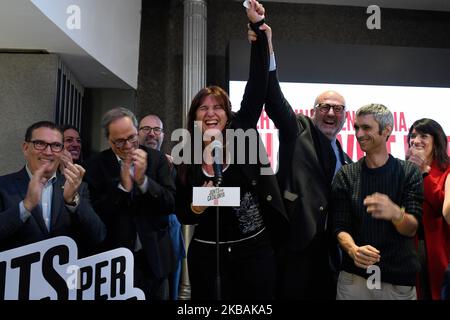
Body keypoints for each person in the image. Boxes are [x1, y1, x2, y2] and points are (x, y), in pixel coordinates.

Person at [175, 0, 288, 300]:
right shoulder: (185, 153)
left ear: (228, 113)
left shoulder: (241, 134)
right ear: (195, 116)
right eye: (203, 108)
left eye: (218, 107)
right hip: (208, 256)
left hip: (255, 251)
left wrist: (257, 30)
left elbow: (257, 85)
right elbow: (182, 209)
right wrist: (196, 207)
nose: (211, 113)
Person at [247, 9, 351, 299]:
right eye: (324, 107)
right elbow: (273, 97)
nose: (330, 113)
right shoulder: (297, 129)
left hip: (329, 254)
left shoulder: (346, 159)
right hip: (293, 247)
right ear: (313, 111)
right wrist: (264, 44)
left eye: (337, 109)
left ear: (345, 117)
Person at [332, 103, 423, 300]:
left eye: (366, 128)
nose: (358, 134)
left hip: (397, 281)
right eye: (356, 127)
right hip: (354, 279)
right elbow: (339, 226)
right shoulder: (346, 175)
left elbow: (412, 228)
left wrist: (396, 214)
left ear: (386, 130)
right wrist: (353, 249)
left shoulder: (408, 172)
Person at [84, 107, 176, 300]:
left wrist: (143, 182)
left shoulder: (156, 158)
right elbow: (95, 214)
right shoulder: (95, 165)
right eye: (119, 141)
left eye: (132, 137)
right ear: (108, 140)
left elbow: (170, 203)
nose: (128, 145)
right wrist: (123, 189)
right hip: (112, 262)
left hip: (154, 258)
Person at [0, 121, 106, 254]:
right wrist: (26, 206)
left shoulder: (76, 187)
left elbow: (98, 236)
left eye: (56, 145)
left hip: (64, 272)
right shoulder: (3, 185)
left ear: (62, 151)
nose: (48, 152)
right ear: (26, 148)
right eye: (40, 144)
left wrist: (72, 201)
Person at [138, 114, 186, 300]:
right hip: (140, 242)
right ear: (137, 133)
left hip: (170, 237)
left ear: (163, 136)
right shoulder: (128, 160)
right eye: (146, 129)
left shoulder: (173, 166)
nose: (151, 134)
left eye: (156, 130)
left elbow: (181, 200)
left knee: (170, 291)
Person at [406, 118, 450, 300]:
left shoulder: (447, 170)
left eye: (423, 136)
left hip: (439, 246)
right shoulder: (404, 169)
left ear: (436, 141)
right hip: (409, 247)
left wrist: (424, 171)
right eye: (413, 135)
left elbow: (443, 207)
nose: (416, 140)